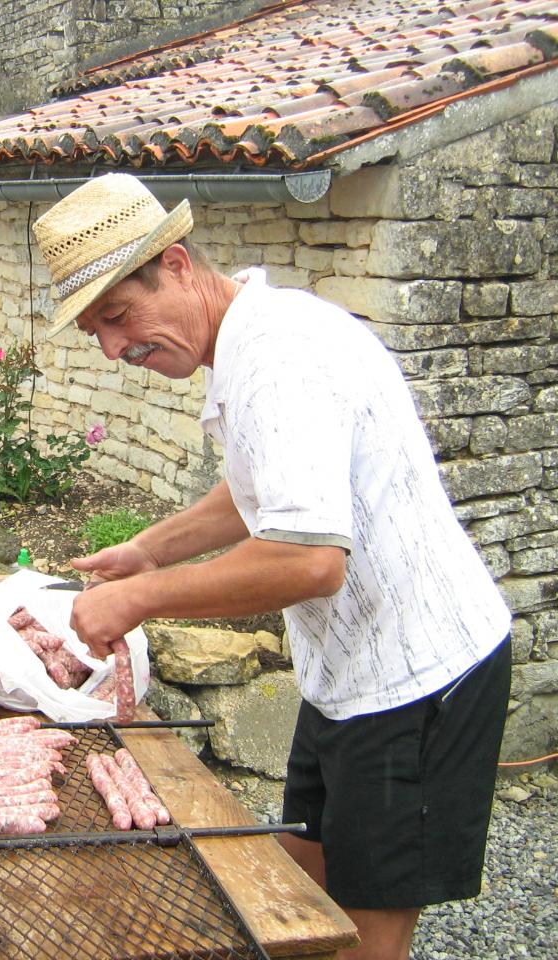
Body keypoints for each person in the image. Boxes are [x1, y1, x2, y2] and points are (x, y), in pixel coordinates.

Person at [31, 173, 511, 960]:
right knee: (298, 900)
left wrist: (143, 598)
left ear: (178, 265)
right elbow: (261, 488)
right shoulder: (246, 344)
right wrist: (151, 548)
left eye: (119, 317)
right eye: (96, 334)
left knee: (363, 938)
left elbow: (310, 559)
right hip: (346, 677)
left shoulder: (280, 359)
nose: (116, 348)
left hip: (420, 680)